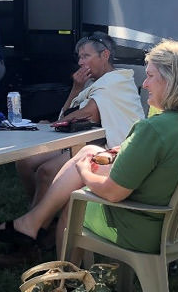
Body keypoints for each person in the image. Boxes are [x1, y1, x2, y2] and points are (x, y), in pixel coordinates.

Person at [0, 40, 178, 260]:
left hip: (146, 227)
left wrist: (85, 174)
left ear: (173, 81)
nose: (144, 84)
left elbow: (113, 193)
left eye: (151, 76)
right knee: (89, 151)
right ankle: (31, 225)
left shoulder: (153, 129)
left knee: (75, 202)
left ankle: (65, 282)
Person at [16, 32, 144, 209]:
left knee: (46, 172)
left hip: (105, 148)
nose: (80, 63)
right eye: (79, 57)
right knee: (24, 162)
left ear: (105, 55)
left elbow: (82, 116)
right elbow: (65, 117)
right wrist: (76, 88)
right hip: (80, 140)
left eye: (86, 56)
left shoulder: (115, 82)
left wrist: (52, 125)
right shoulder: (96, 83)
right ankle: (39, 211)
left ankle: (37, 225)